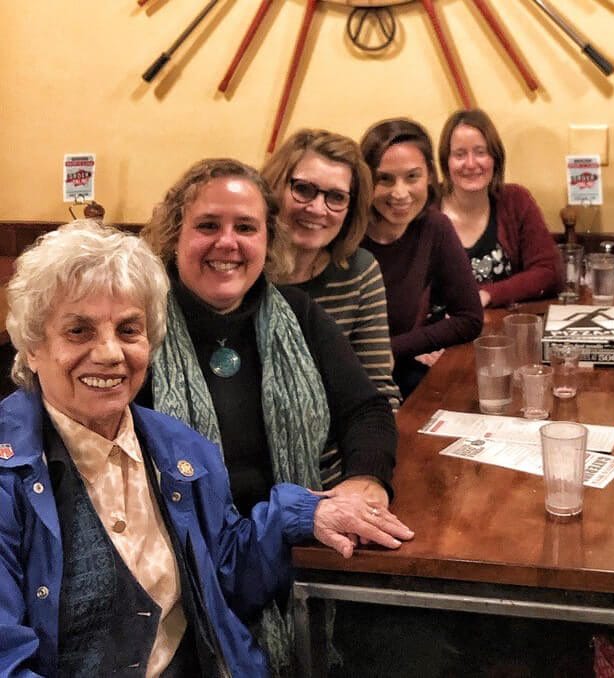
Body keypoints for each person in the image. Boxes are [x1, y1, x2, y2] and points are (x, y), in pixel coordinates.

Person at [0, 221, 413, 676]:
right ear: (32, 347)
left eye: (129, 329)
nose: (111, 353)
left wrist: (305, 512)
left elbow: (226, 575)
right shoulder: (8, 476)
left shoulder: (180, 449)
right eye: (79, 331)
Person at [138, 159, 413, 674]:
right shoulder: (140, 329)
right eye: (207, 226)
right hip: (185, 571)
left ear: (268, 241)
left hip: (299, 552)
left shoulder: (300, 314)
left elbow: (367, 409)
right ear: (175, 235)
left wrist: (364, 480)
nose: (228, 243)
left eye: (246, 227)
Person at [262, 128, 402, 410]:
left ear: (351, 208)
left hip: (344, 449)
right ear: (275, 187)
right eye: (303, 189)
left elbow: (376, 391)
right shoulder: (241, 272)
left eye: (336, 197)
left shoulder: (360, 272)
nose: (317, 208)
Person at [359, 118, 483, 397]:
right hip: (343, 382)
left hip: (392, 377)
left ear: (429, 175)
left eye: (412, 176)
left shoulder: (433, 227)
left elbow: (470, 318)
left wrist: (394, 349)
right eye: (385, 179)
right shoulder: (346, 234)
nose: (400, 193)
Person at [437, 108, 562, 308]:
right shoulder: (426, 208)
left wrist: (488, 295)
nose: (470, 164)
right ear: (446, 162)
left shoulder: (515, 200)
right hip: (440, 333)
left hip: (501, 333)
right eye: (460, 154)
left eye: (480, 152)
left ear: (495, 158)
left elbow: (548, 272)